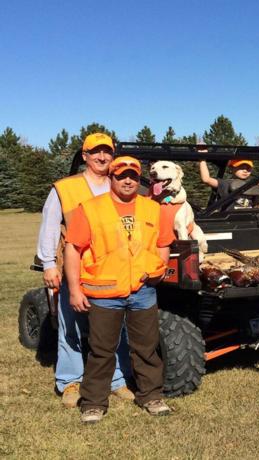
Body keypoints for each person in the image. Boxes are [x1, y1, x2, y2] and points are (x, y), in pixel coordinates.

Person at [64, 156, 174, 423]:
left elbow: (163, 242)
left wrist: (158, 269)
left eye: (133, 176)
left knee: (146, 348)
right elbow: (73, 248)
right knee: (101, 350)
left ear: (139, 179)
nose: (127, 180)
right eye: (121, 175)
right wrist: (75, 290)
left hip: (142, 290)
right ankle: (93, 402)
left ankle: (151, 396)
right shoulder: (89, 208)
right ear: (111, 178)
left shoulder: (153, 209)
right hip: (104, 292)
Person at [36, 133, 133, 408]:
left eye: (107, 152)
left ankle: (117, 379)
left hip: (112, 272)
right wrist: (49, 264)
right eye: (96, 152)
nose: (102, 157)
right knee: (71, 327)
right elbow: (50, 226)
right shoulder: (65, 188)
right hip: (75, 271)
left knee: (116, 328)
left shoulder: (120, 186)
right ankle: (70, 381)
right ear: (85, 155)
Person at [199, 140, 259, 209]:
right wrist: (202, 158)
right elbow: (206, 179)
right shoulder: (225, 183)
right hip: (230, 219)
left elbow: (256, 206)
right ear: (232, 168)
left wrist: (258, 192)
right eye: (241, 167)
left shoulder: (252, 185)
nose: (245, 170)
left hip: (248, 218)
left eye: (248, 168)